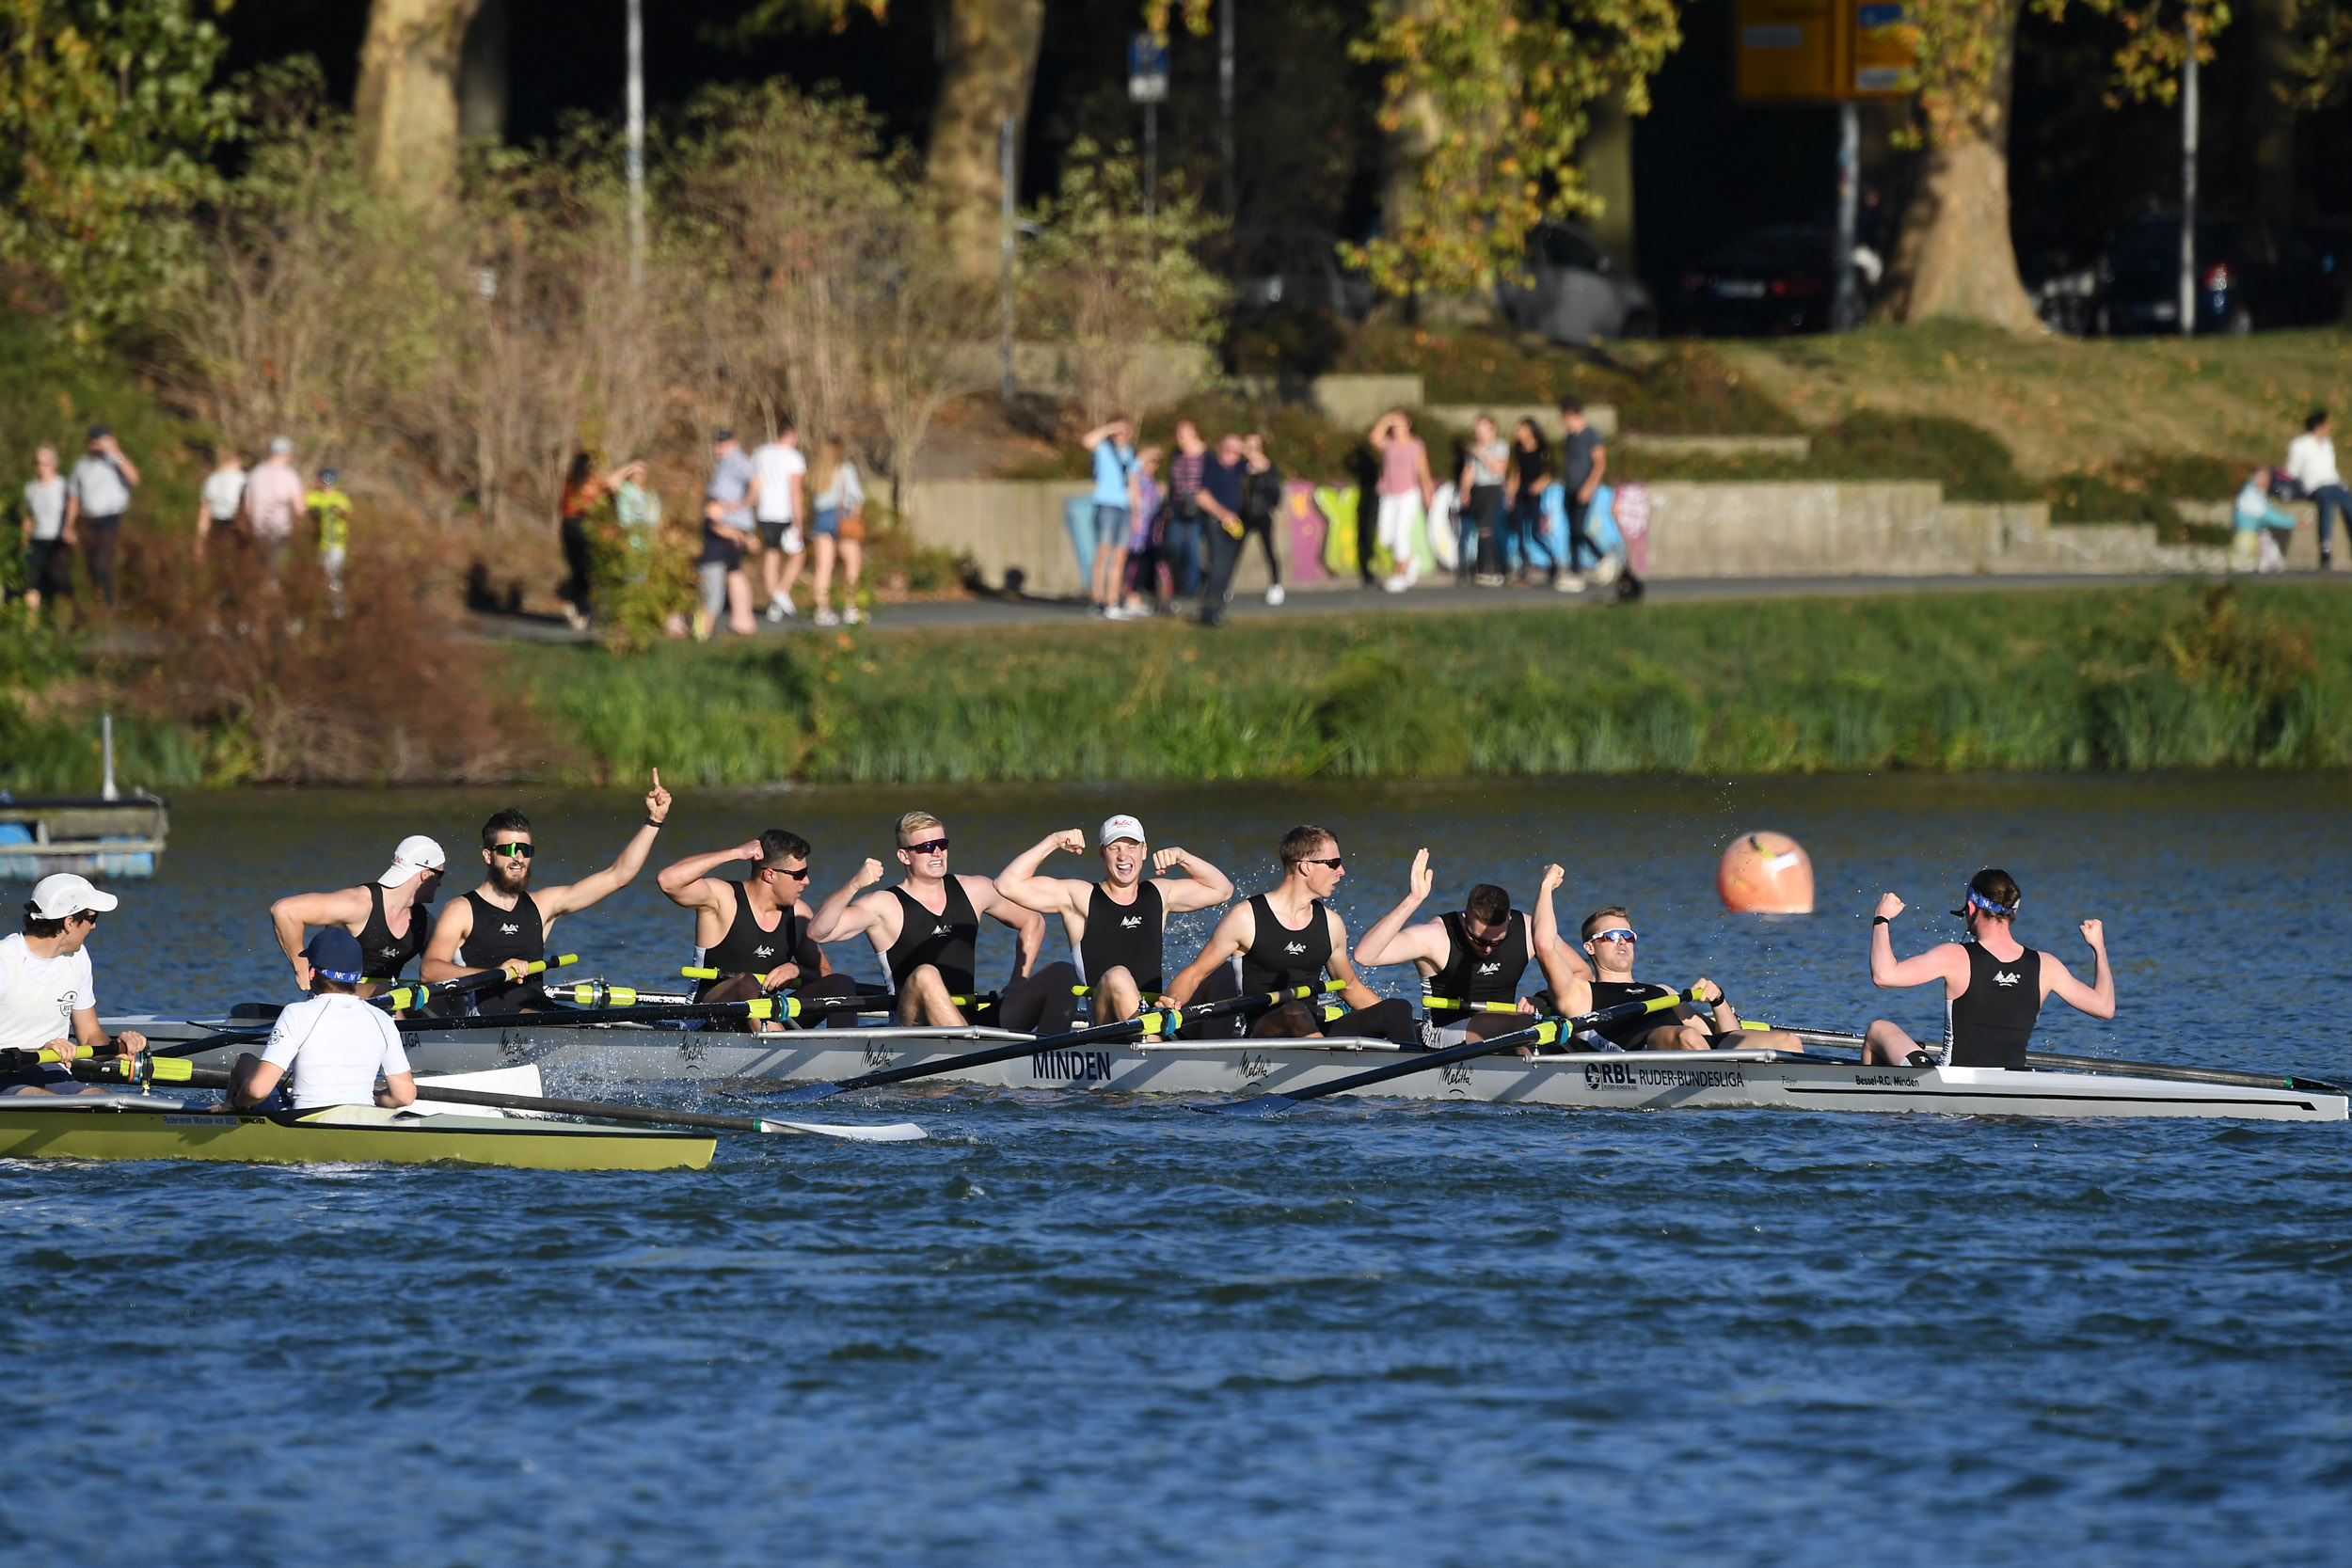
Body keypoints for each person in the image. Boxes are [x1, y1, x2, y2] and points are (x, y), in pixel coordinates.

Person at [422, 773, 674, 1014]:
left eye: (524, 850)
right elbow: (430, 970)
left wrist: (655, 821)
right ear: (488, 856)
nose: (518, 858)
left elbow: (618, 876)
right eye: (509, 849)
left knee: (586, 1022)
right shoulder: (461, 909)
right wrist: (495, 973)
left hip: (537, 1010)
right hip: (486, 1016)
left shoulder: (543, 905)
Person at [807, 811, 1069, 1032]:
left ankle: (1052, 1061)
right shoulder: (883, 905)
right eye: (926, 847)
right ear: (904, 856)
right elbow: (819, 933)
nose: (938, 853)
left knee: (1062, 973)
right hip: (913, 1025)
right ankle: (972, 1051)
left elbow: (1033, 921)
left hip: (970, 1018)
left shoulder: (974, 889)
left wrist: (1018, 980)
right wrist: (854, 885)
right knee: (926, 975)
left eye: (942, 844)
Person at [1164, 824, 1419, 1045]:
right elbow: (1196, 973)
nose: (1341, 872)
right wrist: (1169, 1005)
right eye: (1333, 863)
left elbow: (1350, 987)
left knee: (1399, 1007)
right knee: (1294, 1010)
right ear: (1306, 867)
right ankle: (1327, 1059)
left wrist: (1401, 1021)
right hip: (1263, 1033)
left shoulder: (1331, 924)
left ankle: (1413, 1061)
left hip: (1312, 1029)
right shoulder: (1246, 918)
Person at [1860, 870, 2114, 1069]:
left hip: (1951, 1086)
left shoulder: (1955, 956)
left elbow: (1884, 975)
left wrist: (1882, 918)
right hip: (2009, 1085)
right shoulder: (2047, 966)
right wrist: (2098, 947)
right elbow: (2105, 1008)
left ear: (1971, 908)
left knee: (1879, 1028)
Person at [993, 816, 1235, 1022]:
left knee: (1221, 972)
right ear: (1101, 853)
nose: (1123, 856)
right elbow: (1006, 884)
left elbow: (1222, 890)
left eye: (1131, 847)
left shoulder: (1159, 893)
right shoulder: (1080, 897)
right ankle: (1154, 1044)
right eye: (1114, 848)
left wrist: (1183, 857)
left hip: (1150, 1015)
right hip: (1104, 1020)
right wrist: (1053, 841)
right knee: (1118, 976)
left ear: (1144, 851)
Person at [1351, 851, 1593, 1046]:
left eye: (1496, 942)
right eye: (1479, 941)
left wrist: (1541, 1000)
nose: (1488, 949)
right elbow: (1365, 956)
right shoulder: (1438, 936)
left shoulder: (1527, 929)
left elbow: (1583, 975)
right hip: (1441, 1033)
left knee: (1558, 1021)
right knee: (1520, 1024)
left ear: (1509, 921)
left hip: (1508, 1025)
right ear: (1465, 920)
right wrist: (1413, 899)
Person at [656, 829, 865, 1027]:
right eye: (799, 875)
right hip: (708, 1017)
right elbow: (668, 881)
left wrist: (795, 969)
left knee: (842, 984)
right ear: (770, 875)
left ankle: (844, 1051)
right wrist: (735, 853)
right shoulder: (723, 899)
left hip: (766, 1020)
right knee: (747, 982)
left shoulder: (799, 914)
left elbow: (824, 973)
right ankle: (780, 1048)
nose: (807, 881)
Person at [226, 928, 416, 1114]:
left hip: (304, 1125)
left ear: (312, 973)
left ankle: (227, 1109)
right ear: (358, 975)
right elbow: (404, 1096)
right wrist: (371, 1101)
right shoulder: (383, 1019)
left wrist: (238, 1102)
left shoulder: (295, 1013)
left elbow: (257, 1091)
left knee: (244, 1061)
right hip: (362, 1117)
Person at [0, 874, 146, 1096]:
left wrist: (118, 1047)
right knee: (42, 1100)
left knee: (101, 1099)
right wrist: (39, 1050)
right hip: (3, 1072)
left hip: (48, 1069)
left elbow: (89, 1036)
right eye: (92, 917)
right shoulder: (5, 960)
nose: (95, 926)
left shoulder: (77, 958)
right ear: (69, 922)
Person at [1576, 905, 1793, 1052]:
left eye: (1628, 936)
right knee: (1687, 1036)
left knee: (1788, 1041)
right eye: (1612, 936)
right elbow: (1547, 945)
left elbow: (1724, 1037)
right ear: (1589, 947)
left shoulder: (1664, 991)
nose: (1622, 942)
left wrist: (1718, 999)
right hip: (1662, 1046)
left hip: (1697, 1047)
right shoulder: (1584, 993)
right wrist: (1547, 887)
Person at [267, 834, 448, 998]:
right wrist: (301, 968)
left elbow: (440, 968)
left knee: (439, 999)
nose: (440, 883)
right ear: (425, 874)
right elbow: (284, 911)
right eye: (440, 875)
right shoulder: (359, 904)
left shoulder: (423, 923)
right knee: (388, 994)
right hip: (337, 998)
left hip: (382, 1003)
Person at [64, 425, 139, 607]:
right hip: (88, 521)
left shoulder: (116, 462)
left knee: (101, 565)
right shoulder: (82, 465)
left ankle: (108, 603)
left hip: (111, 520)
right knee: (90, 566)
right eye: (93, 441)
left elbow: (135, 479)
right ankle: (96, 602)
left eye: (100, 441)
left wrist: (115, 452)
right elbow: (74, 497)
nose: (96, 445)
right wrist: (69, 525)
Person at [696, 428, 760, 641]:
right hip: (725, 526)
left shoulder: (737, 460)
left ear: (734, 442)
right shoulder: (724, 462)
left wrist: (743, 503)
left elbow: (757, 482)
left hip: (730, 527)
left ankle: (739, 621)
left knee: (730, 573)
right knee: (734, 572)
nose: (719, 447)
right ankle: (742, 620)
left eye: (724, 443)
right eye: (717, 443)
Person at [1368, 410, 1434, 594]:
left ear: (1408, 424)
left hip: (1408, 494)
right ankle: (1409, 559)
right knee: (1385, 537)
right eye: (1393, 425)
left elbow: (1423, 470)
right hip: (1389, 493)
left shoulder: (1415, 445)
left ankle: (1398, 577)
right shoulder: (1388, 444)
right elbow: (1373, 438)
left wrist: (1428, 492)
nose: (1396, 428)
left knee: (1400, 535)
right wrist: (1386, 419)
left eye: (1399, 424)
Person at [753, 420, 807, 623]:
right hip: (785, 513)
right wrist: (798, 521)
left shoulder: (761, 453)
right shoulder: (793, 457)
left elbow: (755, 482)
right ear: (791, 435)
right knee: (798, 555)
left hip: (765, 512)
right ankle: (781, 592)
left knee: (771, 554)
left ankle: (775, 603)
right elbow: (795, 490)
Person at [808, 436, 866, 628]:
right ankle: (850, 608)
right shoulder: (845, 470)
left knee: (823, 567)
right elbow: (856, 497)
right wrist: (855, 518)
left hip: (821, 519)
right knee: (852, 564)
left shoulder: (816, 473)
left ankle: (822, 610)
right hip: (842, 517)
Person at [1082, 418, 1136, 618]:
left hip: (1124, 508)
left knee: (1120, 556)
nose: (1121, 433)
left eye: (1125, 429)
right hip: (1106, 506)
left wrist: (1136, 511)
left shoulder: (1129, 452)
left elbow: (1133, 482)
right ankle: (1098, 600)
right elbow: (1087, 441)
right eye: (1118, 429)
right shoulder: (1103, 449)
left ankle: (1113, 601)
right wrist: (1108, 428)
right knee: (1103, 553)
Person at [1195, 432, 1249, 626]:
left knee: (1227, 569)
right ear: (1220, 449)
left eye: (1237, 453)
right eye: (1228, 450)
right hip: (1216, 522)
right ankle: (1208, 612)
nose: (1232, 456)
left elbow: (1261, 465)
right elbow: (1201, 496)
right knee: (1218, 567)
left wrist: (1247, 449)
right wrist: (1222, 513)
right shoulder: (1213, 468)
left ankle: (1218, 611)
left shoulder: (1237, 469)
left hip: (1233, 525)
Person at [1557, 396, 1609, 594]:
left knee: (1578, 529)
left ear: (1572, 414)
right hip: (1569, 488)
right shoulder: (1570, 438)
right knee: (1572, 532)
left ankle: (1594, 561)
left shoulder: (1592, 434)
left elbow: (1600, 463)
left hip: (1584, 489)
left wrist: (1590, 486)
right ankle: (1578, 570)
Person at [2285, 408, 2345, 570]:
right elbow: (2292, 470)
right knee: (2327, 503)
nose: (2329, 428)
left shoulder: (2327, 444)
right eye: (2327, 424)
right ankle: (2325, 549)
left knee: (2348, 502)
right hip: (2314, 486)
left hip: (2333, 483)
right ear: (2318, 426)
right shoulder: (2300, 444)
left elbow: (2331, 470)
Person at [1456, 414, 1511, 587]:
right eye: (1476, 430)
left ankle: (1492, 568)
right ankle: (1485, 566)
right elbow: (1469, 470)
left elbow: (1499, 470)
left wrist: (1481, 453)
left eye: (1482, 429)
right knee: (1481, 529)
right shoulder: (1474, 450)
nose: (1479, 434)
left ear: (1492, 429)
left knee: (1486, 528)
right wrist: (1465, 490)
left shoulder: (1500, 446)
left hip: (1493, 489)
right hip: (1478, 490)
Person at [1503, 418, 1556, 587]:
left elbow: (1553, 471)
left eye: (1520, 429)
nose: (1517, 432)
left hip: (1535, 493)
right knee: (1519, 531)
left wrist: (1542, 482)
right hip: (1521, 492)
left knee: (1534, 533)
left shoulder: (1542, 449)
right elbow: (1516, 472)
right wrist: (1511, 493)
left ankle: (1553, 559)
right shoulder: (1518, 449)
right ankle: (1524, 571)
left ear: (1530, 430)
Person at [21, 445, 72, 615]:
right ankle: (30, 626)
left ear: (54, 464)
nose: (41, 467)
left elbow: (73, 510)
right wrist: (25, 539)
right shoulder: (31, 488)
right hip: (37, 540)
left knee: (56, 583)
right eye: (38, 463)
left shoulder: (63, 486)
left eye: (45, 463)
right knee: (32, 582)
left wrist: (69, 530)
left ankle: (55, 621)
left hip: (57, 540)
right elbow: (28, 516)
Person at [1165, 420, 1212, 600]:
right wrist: (1169, 503)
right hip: (1177, 506)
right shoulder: (1176, 454)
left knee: (1192, 546)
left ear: (1194, 433)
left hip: (1197, 508)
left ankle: (1190, 588)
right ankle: (1187, 579)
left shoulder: (1207, 455)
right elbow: (1171, 480)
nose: (1180, 439)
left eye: (1183, 435)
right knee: (1175, 544)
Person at [244, 436, 305, 571]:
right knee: (277, 570)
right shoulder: (290, 475)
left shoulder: (254, 473)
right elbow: (300, 509)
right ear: (286, 454)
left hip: (258, 529)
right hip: (280, 529)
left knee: (259, 569)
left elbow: (247, 507)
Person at [1240, 432, 1285, 607]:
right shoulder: (1241, 468)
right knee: (1233, 550)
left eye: (1254, 448)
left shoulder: (1270, 469)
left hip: (1262, 516)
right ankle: (1222, 586)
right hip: (1244, 516)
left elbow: (1276, 496)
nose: (1250, 451)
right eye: (1248, 447)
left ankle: (1276, 585)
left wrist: (1262, 473)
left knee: (1269, 550)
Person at [1121, 445, 1166, 618]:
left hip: (1151, 535)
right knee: (1133, 565)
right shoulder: (1134, 478)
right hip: (1137, 532)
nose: (1152, 465)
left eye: (1155, 462)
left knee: (1146, 567)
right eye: (1149, 461)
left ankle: (1140, 599)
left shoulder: (1154, 482)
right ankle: (1130, 599)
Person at [2234, 466, 2300, 574]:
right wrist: (2293, 521)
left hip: (2253, 532)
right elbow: (2269, 516)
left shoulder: (2255, 491)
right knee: (2243, 563)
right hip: (2246, 534)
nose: (2268, 484)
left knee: (2266, 536)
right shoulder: (2251, 495)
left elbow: (2268, 512)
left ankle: (2271, 563)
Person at [194, 446, 246, 565]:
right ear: (237, 460)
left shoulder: (211, 480)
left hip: (215, 526)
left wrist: (199, 543)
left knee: (217, 563)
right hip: (235, 527)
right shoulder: (243, 480)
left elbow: (204, 513)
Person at [308, 467, 352, 601]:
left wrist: (342, 512)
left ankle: (336, 607)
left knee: (334, 576)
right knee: (318, 574)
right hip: (317, 542)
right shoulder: (312, 496)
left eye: (330, 483)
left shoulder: (341, 498)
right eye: (324, 482)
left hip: (337, 542)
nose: (327, 485)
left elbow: (350, 515)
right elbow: (304, 513)